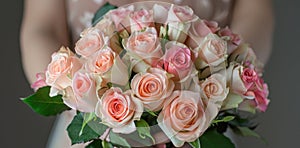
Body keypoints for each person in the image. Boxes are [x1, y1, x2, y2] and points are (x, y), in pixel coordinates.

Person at [20, 0, 274, 147]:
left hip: (198, 120)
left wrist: (221, 80)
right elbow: (42, 28)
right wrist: (86, 105)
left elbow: (255, 12)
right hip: (91, 123)